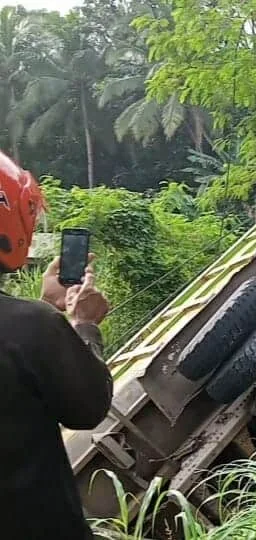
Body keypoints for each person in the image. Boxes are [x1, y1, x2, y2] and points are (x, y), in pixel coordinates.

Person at [0, 150, 112, 540]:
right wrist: (83, 326)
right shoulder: (29, 327)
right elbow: (87, 408)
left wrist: (49, 311)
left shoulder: (30, 325)